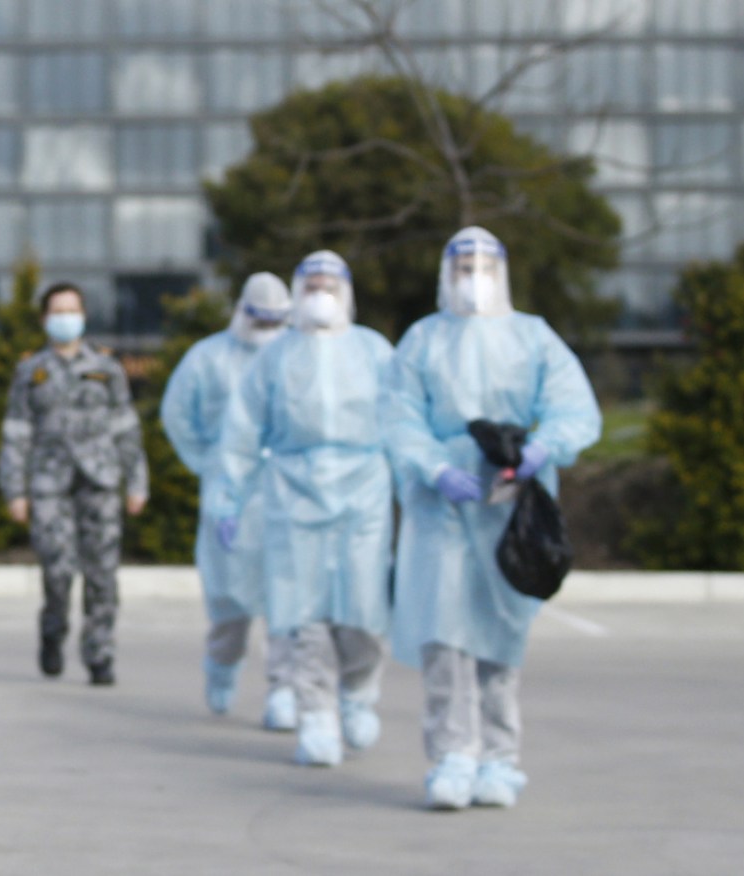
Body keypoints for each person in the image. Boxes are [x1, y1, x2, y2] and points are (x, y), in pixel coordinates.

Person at [382, 226, 600, 810]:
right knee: (444, 634)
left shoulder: (533, 337)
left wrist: (541, 447)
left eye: (483, 266)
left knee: (502, 633)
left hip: (509, 501)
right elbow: (398, 417)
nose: (472, 278)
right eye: (461, 266)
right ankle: (452, 756)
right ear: (444, 273)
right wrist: (432, 467)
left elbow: (573, 407)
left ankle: (500, 759)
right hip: (443, 506)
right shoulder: (422, 340)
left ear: (502, 271)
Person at [215, 251, 394, 767]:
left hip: (364, 494)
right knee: (304, 615)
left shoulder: (374, 351)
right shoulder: (275, 357)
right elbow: (243, 431)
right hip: (293, 491)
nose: (319, 294)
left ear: (346, 293)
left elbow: (402, 419)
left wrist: (422, 482)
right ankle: (316, 715)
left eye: (329, 285)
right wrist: (230, 496)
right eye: (310, 284)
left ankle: (358, 691)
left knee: (363, 610)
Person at [160, 273, 299, 726]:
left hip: (287, 493)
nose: (267, 332)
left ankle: (285, 690)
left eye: (277, 322)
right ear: (242, 313)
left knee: (289, 599)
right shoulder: (209, 358)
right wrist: (210, 466)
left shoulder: (297, 356)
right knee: (230, 603)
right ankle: (222, 666)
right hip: (230, 496)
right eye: (261, 322)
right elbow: (178, 414)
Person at [0, 282, 148, 685]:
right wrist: (15, 489)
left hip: (99, 479)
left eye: (73, 309)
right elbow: (17, 431)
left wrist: (137, 482)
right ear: (46, 319)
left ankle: (99, 654)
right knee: (58, 570)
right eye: (58, 311)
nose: (66, 317)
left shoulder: (107, 367)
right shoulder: (31, 370)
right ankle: (53, 631)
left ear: (83, 315)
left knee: (102, 572)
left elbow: (126, 427)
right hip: (50, 482)